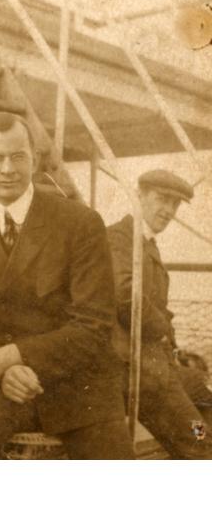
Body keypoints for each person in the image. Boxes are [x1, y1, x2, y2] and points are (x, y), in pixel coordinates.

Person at [0, 111, 134, 459]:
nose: (7, 169)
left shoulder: (81, 223)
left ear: (35, 159)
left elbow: (93, 327)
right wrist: (6, 370)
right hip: (6, 385)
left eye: (18, 157)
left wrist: (14, 355)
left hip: (79, 385)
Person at [108, 169, 212, 458]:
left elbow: (157, 306)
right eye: (162, 199)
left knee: (207, 410)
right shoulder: (118, 239)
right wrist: (164, 334)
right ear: (139, 195)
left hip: (159, 366)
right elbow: (126, 298)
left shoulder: (147, 244)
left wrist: (175, 351)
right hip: (134, 370)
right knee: (197, 441)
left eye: (175, 204)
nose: (168, 210)